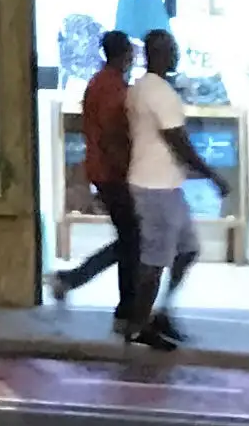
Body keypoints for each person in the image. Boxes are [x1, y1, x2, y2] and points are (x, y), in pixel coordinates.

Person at [123, 26, 225, 351]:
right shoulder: (158, 93)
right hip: (155, 188)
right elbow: (178, 141)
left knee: (187, 249)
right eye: (172, 49)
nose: (177, 54)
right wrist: (212, 175)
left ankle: (160, 311)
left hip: (165, 184)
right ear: (159, 54)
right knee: (154, 260)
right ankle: (139, 326)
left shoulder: (141, 88)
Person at [49, 31, 153, 336]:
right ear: (125, 55)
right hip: (112, 173)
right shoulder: (110, 87)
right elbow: (111, 133)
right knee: (131, 240)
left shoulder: (102, 82)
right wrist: (126, 167)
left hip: (105, 171)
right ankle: (120, 305)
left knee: (130, 239)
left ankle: (81, 284)